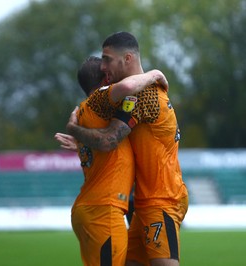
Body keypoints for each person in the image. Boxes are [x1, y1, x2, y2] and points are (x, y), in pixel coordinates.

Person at [66, 32, 188, 266]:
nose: (104, 67)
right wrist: (84, 140)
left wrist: (78, 133)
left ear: (128, 58)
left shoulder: (142, 94)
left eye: (107, 60)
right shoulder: (136, 93)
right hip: (145, 201)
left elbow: (110, 139)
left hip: (161, 198)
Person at [56, 55, 168, 266]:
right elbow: (127, 87)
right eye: (109, 70)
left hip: (91, 207)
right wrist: (155, 74)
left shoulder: (84, 112)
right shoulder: (101, 99)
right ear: (106, 79)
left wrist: (78, 139)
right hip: (103, 209)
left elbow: (100, 142)